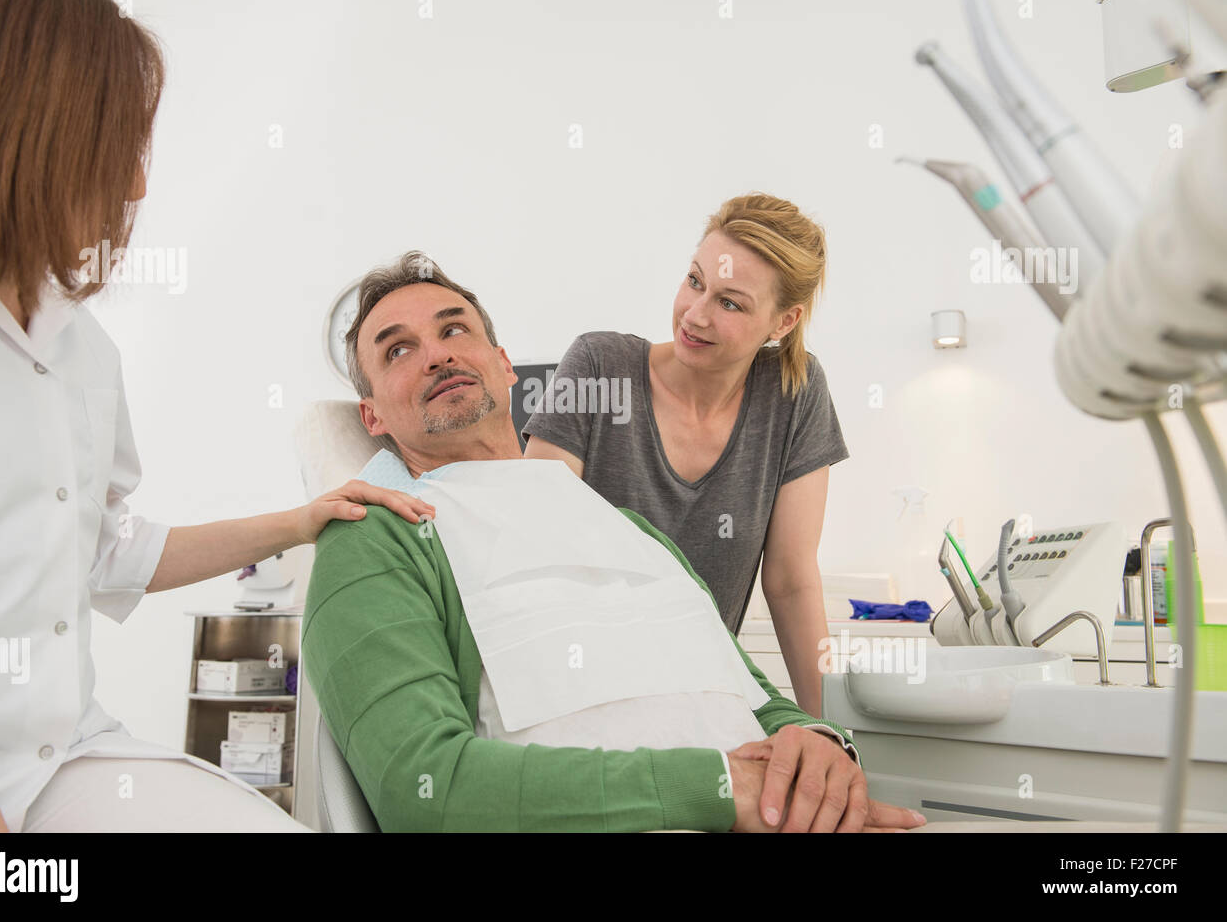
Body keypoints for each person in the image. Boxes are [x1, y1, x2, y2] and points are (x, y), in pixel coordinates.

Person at [0, 0, 431, 832]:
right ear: (19, 132)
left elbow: (108, 548)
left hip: (62, 756)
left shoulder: (79, 348)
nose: (136, 188)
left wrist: (301, 519)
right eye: (115, 143)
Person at [302, 251, 926, 832]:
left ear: (504, 364)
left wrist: (816, 746)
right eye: (398, 351)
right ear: (372, 417)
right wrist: (714, 788)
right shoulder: (377, 538)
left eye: (454, 330)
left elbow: (754, 699)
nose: (436, 355)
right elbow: (424, 788)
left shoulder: (630, 531)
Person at [523, 193, 846, 717]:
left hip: (710, 700)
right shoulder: (598, 366)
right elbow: (534, 549)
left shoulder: (795, 391)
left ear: (783, 322)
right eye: (695, 282)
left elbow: (791, 580)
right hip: (579, 695)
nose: (694, 316)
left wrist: (835, 731)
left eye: (730, 303)